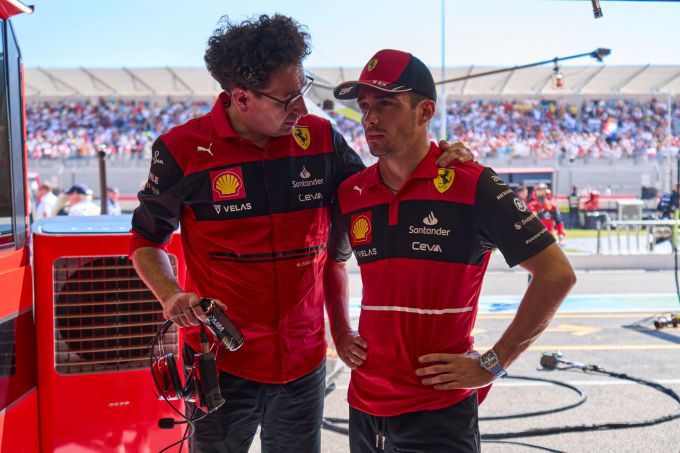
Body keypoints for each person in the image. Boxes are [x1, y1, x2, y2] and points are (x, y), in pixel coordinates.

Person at [129, 15, 471, 453]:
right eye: (288, 98)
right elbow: (146, 240)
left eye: (302, 88)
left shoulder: (321, 137)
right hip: (221, 363)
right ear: (241, 97)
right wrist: (170, 295)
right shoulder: (181, 149)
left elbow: (377, 188)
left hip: (304, 363)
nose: (303, 109)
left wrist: (438, 157)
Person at [327, 49, 576, 453]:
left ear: (425, 112)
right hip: (364, 403)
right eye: (365, 106)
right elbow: (332, 263)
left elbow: (556, 274)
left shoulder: (472, 184)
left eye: (385, 104)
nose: (369, 118)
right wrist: (340, 330)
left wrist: (493, 363)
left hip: (439, 409)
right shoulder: (351, 192)